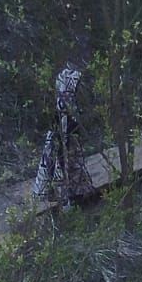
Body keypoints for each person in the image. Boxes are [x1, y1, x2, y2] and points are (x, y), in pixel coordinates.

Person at [32, 45, 100, 210]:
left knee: (65, 160)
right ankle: (69, 199)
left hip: (65, 127)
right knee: (63, 162)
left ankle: (75, 193)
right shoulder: (71, 80)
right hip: (65, 129)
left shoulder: (64, 79)